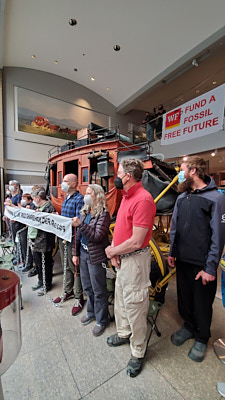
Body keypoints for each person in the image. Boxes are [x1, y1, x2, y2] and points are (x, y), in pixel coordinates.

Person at [168, 156, 225, 362]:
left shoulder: (216, 199)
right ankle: (189, 327)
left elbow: (218, 237)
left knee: (202, 303)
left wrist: (210, 268)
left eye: (182, 169)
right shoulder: (182, 197)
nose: (179, 174)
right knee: (184, 299)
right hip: (182, 260)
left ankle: (202, 336)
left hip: (202, 265)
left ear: (193, 171)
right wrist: (172, 252)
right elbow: (174, 227)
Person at [105, 158, 156, 378]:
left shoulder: (143, 199)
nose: (116, 174)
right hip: (123, 259)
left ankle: (138, 351)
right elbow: (122, 229)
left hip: (135, 260)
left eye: (118, 171)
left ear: (128, 175)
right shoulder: (126, 196)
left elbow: (137, 240)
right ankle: (124, 333)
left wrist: (114, 251)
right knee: (121, 298)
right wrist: (115, 252)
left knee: (135, 304)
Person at [72, 184, 111, 336]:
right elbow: (78, 235)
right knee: (87, 287)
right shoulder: (85, 211)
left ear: (98, 195)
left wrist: (81, 224)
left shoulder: (103, 215)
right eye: (85, 193)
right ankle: (91, 312)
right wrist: (75, 253)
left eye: (89, 193)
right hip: (83, 254)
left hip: (96, 256)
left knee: (99, 289)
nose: (85, 195)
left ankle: (102, 320)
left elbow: (96, 236)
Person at [53, 174, 84, 316]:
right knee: (66, 265)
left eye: (65, 181)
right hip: (63, 237)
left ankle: (79, 297)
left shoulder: (79, 199)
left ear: (73, 184)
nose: (62, 183)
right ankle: (67, 291)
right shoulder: (67, 198)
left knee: (75, 268)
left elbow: (78, 223)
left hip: (72, 238)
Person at [31, 188, 56, 296]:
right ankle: (40, 281)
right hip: (37, 239)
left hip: (45, 240)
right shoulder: (37, 207)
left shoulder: (49, 207)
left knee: (45, 263)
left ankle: (47, 284)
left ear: (38, 198)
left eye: (34, 198)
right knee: (38, 262)